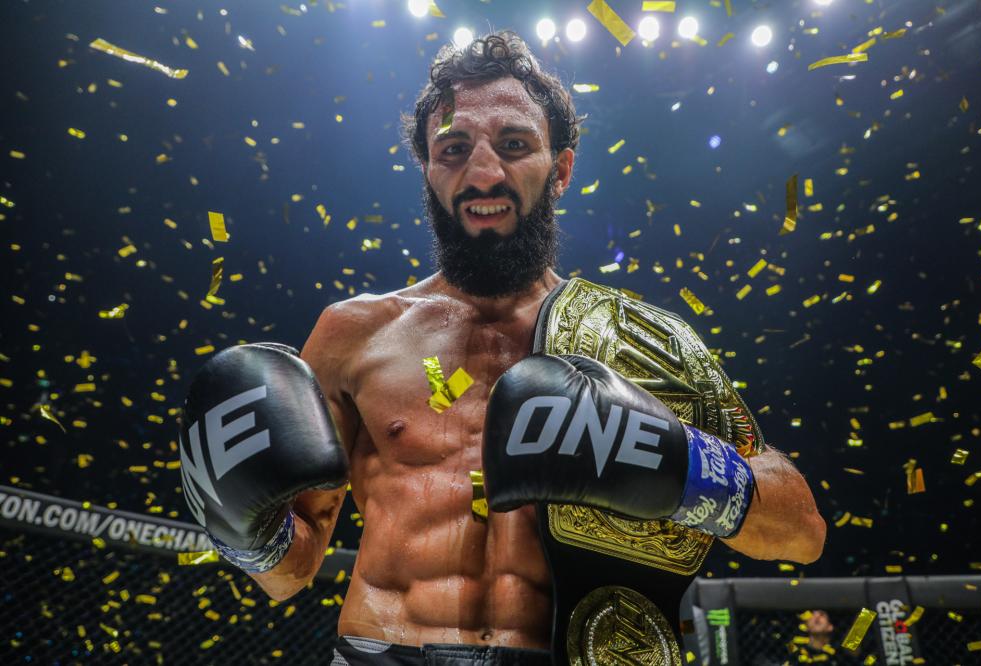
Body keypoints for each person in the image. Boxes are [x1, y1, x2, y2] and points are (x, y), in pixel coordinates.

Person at [178, 31, 826, 665]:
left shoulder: (632, 342)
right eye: (454, 148)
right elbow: (288, 574)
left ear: (561, 169)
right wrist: (245, 532)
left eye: (514, 145)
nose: (484, 173)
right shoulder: (354, 333)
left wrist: (676, 467)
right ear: (428, 170)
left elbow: (800, 532)